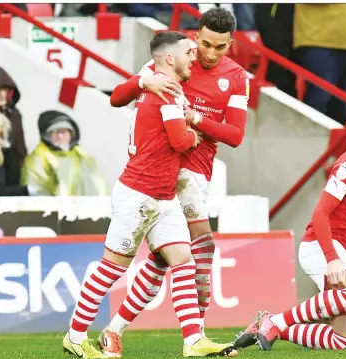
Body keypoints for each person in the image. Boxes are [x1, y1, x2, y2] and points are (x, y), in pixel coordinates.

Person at [103, 7, 247, 357]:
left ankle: (115, 329)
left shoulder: (238, 77)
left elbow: (236, 135)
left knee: (167, 259)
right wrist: (141, 81)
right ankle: (196, 336)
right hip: (165, 171)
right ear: (196, 37)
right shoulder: (174, 60)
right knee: (201, 247)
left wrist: (196, 118)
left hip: (198, 172)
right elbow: (118, 96)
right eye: (206, 45)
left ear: (231, 45)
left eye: (221, 47)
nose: (211, 54)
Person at [62, 30, 213, 358]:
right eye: (189, 52)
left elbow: (120, 96)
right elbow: (180, 141)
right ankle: (75, 335)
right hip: (139, 194)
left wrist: (144, 84)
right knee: (111, 268)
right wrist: (194, 134)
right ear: (171, 58)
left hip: (164, 195)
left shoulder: (159, 81)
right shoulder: (167, 89)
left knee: (183, 262)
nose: (195, 58)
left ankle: (193, 340)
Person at [233, 92, 346, 351]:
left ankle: (267, 327)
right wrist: (332, 257)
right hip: (321, 246)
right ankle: (275, 321)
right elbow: (320, 213)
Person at [21, 110, 108, 196]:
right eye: (55, 132)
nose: (60, 136)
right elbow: (35, 189)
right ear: (47, 135)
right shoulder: (38, 157)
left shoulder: (82, 155)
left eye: (64, 131)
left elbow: (98, 187)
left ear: (71, 134)